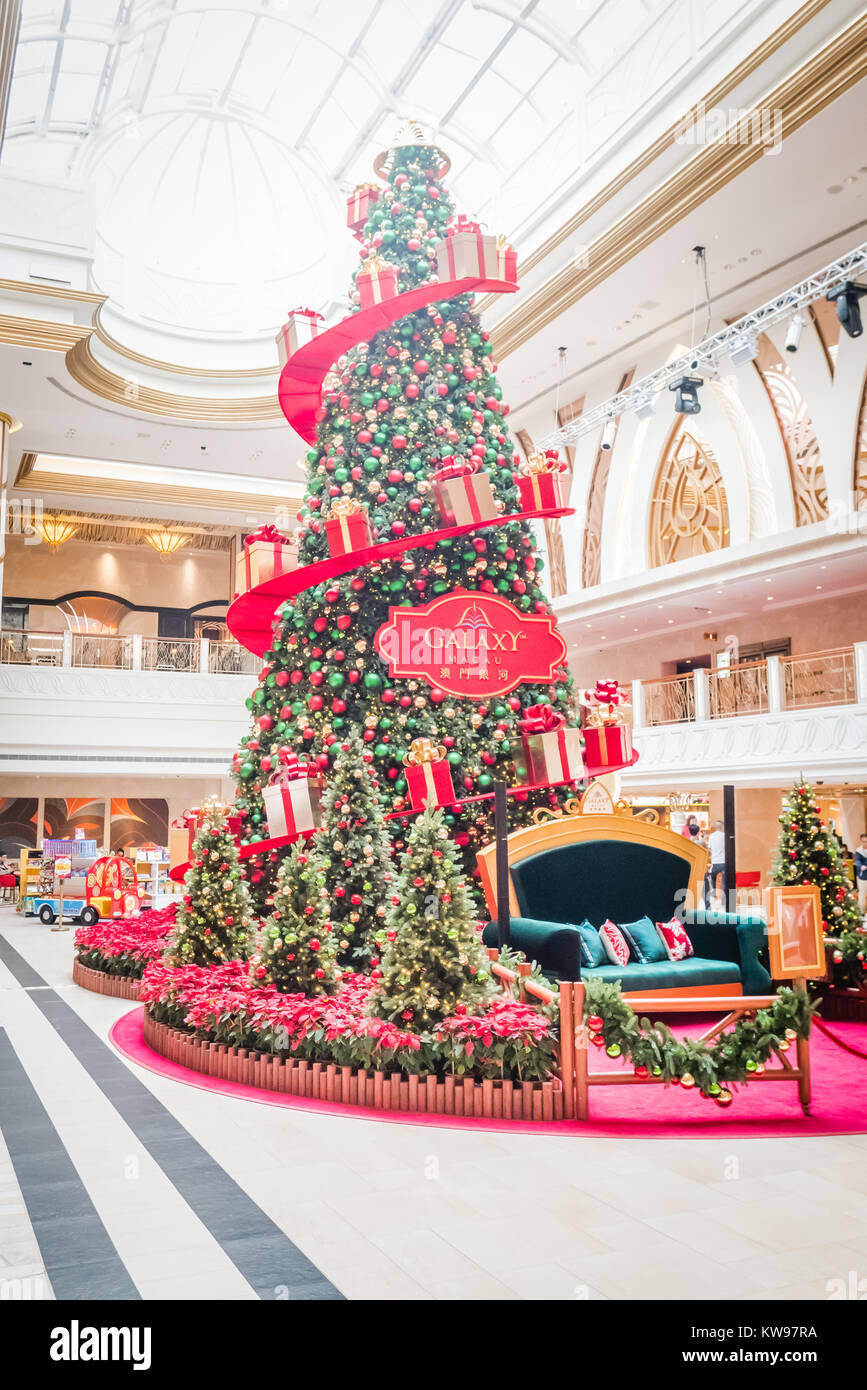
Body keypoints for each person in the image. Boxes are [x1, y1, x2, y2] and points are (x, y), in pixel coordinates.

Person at [705, 819, 726, 908]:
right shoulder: (725, 836)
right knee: (724, 881)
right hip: (723, 861)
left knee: (713, 881)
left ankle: (714, 897)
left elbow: (709, 847)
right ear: (722, 827)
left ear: (715, 827)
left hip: (715, 862)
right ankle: (724, 900)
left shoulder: (711, 836)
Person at [856, 832, 867, 917]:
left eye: (866, 841)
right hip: (863, 877)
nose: (865, 843)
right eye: (863, 841)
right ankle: (861, 912)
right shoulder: (859, 851)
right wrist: (861, 866)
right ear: (861, 841)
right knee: (862, 895)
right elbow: (858, 861)